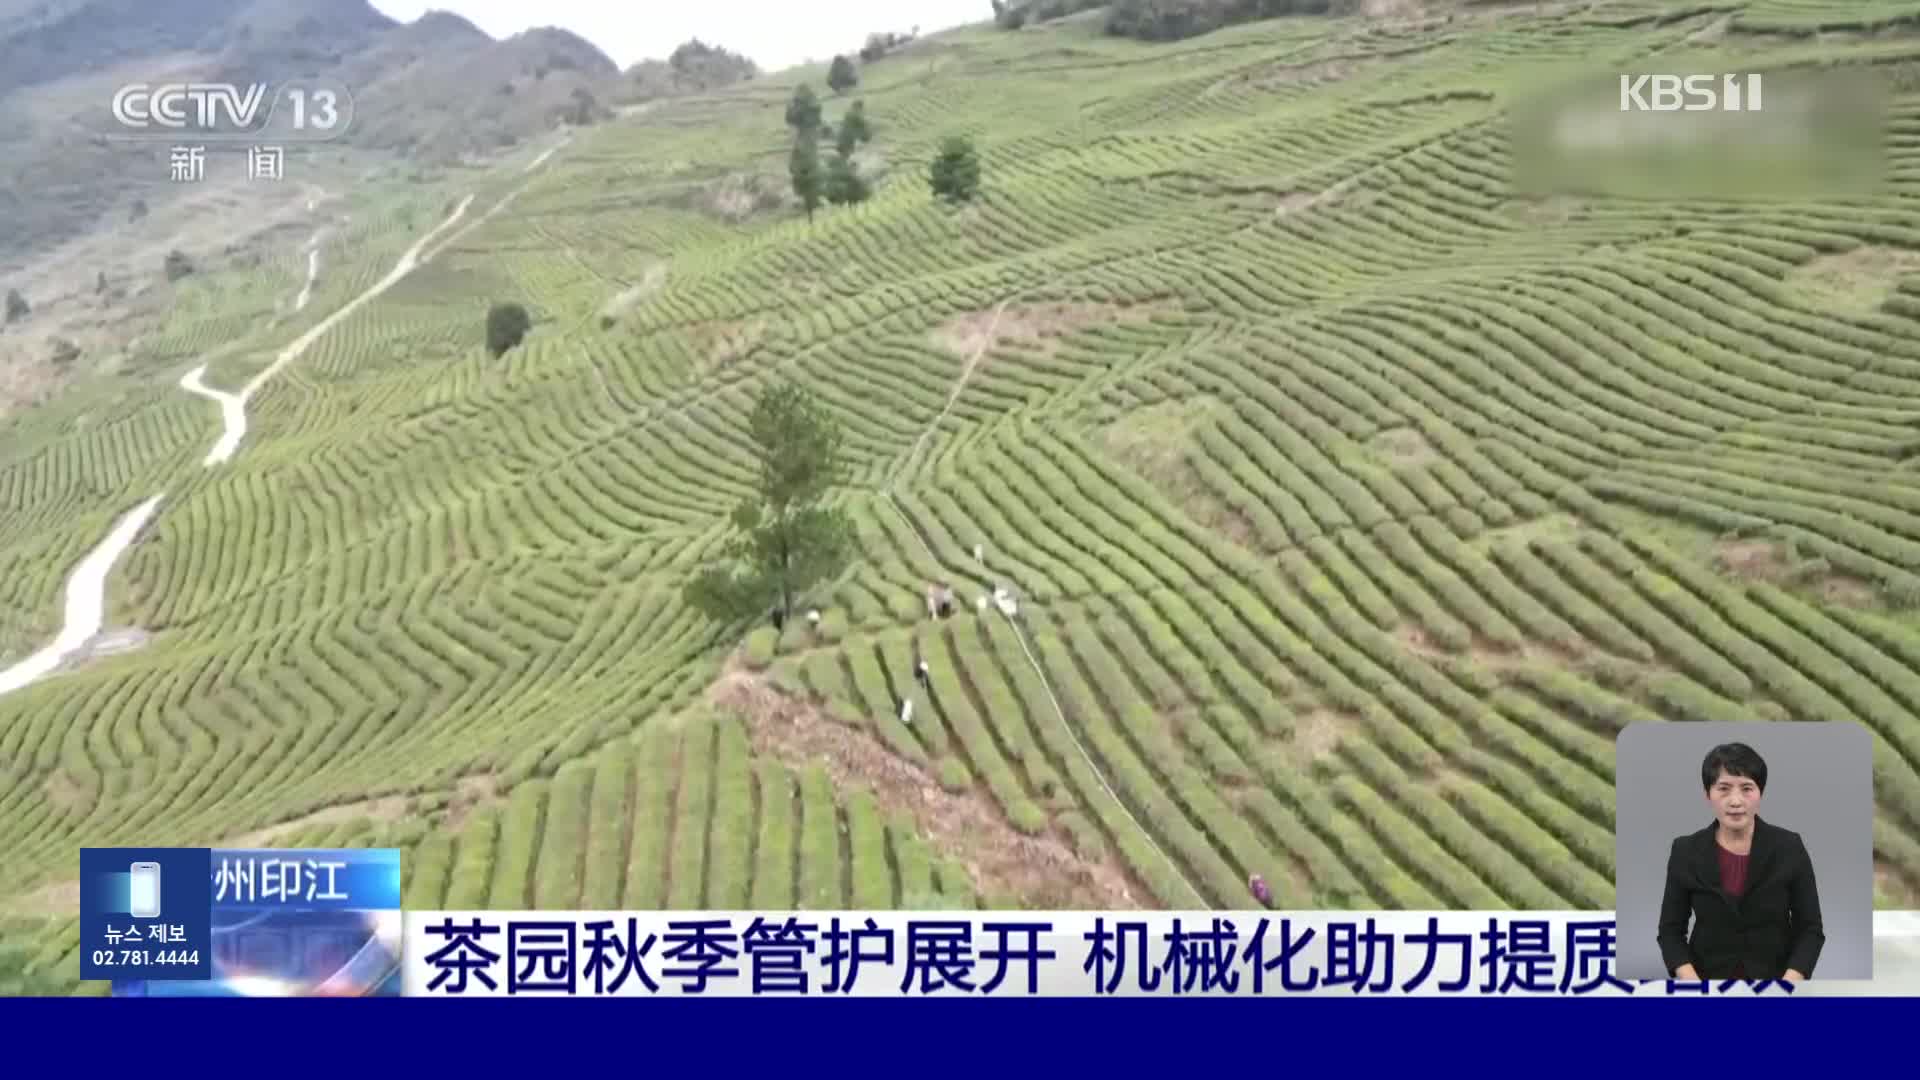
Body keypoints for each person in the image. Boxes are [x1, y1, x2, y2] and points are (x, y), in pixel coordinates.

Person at [1657, 742, 1823, 983]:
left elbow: (1810, 929)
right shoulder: (1685, 851)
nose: (1735, 801)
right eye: (1723, 788)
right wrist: (1696, 988)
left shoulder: (1789, 847)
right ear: (1708, 794)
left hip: (1774, 985)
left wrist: (1787, 987)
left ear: (1760, 793)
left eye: (1747, 788)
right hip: (1707, 983)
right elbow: (1670, 931)